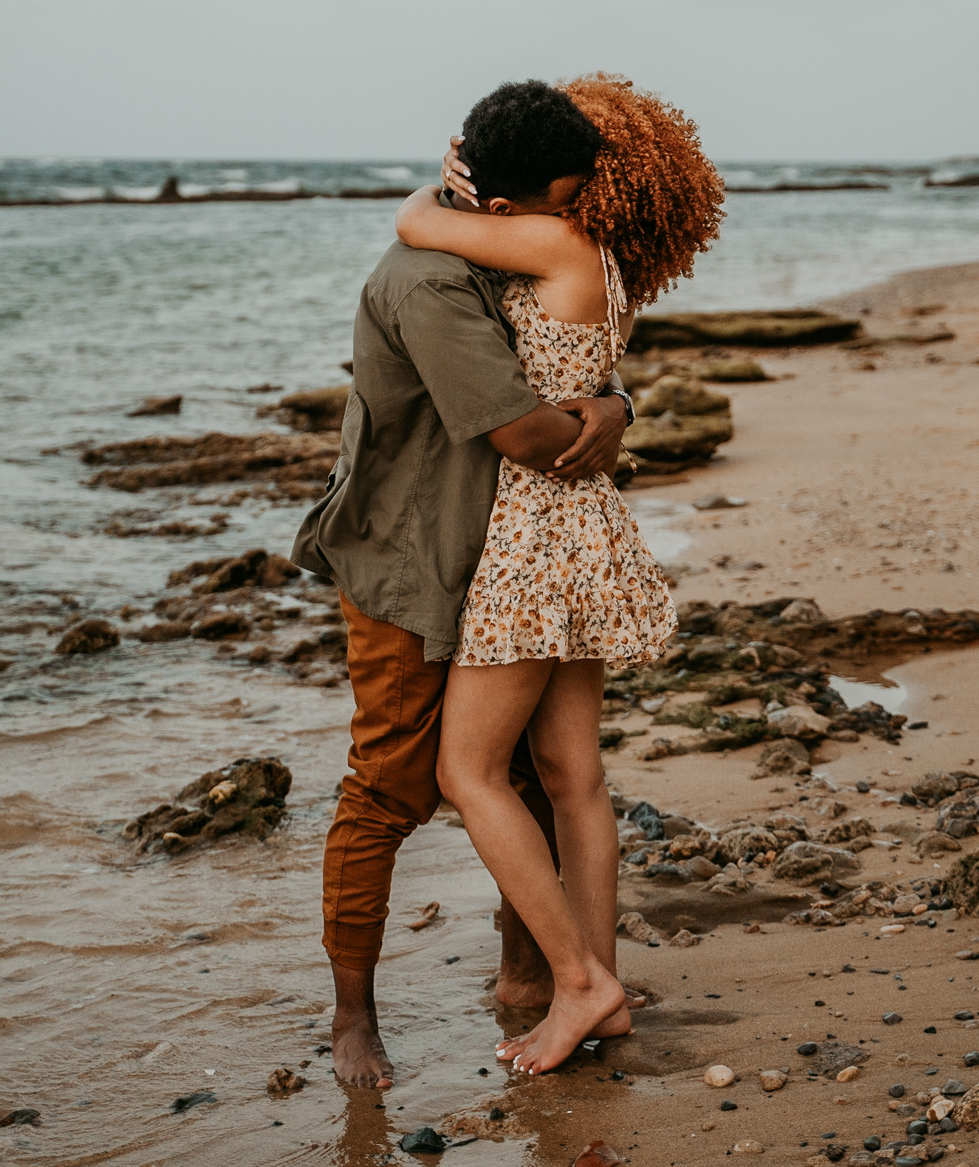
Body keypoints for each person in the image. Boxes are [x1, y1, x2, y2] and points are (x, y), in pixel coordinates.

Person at [291, 80, 634, 1089]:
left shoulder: (509, 251)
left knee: (526, 775)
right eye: (558, 200)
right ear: (501, 205)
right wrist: (605, 414)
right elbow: (526, 428)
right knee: (388, 788)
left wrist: (612, 400)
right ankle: (354, 1015)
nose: (573, 218)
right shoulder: (429, 285)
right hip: (408, 566)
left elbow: (575, 359)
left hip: (504, 559)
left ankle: (542, 982)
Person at [394, 72, 724, 1074]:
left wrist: (435, 185)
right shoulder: (603, 251)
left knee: (469, 771)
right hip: (585, 527)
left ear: (507, 201)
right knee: (575, 777)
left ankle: (578, 982)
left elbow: (415, 227)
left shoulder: (547, 240)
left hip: (533, 531)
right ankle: (602, 986)